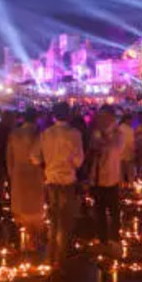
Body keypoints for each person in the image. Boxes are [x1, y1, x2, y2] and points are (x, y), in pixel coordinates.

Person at [35, 102, 84, 269]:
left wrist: (46, 166)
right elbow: (78, 160)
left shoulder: (46, 134)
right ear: (68, 115)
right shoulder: (74, 134)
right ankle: (60, 259)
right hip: (67, 180)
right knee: (65, 221)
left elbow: (34, 157)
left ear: (54, 115)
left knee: (53, 220)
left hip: (50, 180)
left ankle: (50, 256)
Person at [7, 110, 46, 251]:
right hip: (35, 173)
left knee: (22, 207)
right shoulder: (40, 134)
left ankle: (25, 241)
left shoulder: (14, 134)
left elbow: (9, 157)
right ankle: (34, 240)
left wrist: (12, 173)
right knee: (35, 208)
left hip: (19, 173)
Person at [90, 106, 125, 257]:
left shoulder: (118, 134)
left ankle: (114, 241)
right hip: (97, 179)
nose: (100, 120)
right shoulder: (95, 134)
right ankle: (103, 241)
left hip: (111, 178)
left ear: (111, 117)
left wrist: (102, 140)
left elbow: (115, 149)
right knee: (99, 212)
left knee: (114, 212)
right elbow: (92, 151)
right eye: (99, 117)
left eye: (103, 117)